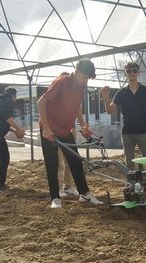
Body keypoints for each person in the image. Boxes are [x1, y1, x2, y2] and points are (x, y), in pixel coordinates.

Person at [37, 59, 103, 209]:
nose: (86, 81)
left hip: (65, 130)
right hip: (50, 130)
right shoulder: (61, 82)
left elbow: (76, 106)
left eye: (88, 78)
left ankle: (85, 195)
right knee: (52, 164)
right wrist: (46, 128)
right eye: (84, 77)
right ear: (77, 71)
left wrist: (83, 125)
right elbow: (41, 102)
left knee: (75, 161)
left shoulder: (79, 87)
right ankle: (55, 198)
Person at [101, 61, 146, 169]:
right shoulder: (121, 93)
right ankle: (133, 185)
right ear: (125, 74)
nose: (132, 73)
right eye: (129, 71)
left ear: (138, 73)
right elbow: (110, 110)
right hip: (127, 133)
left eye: (134, 71)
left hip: (144, 131)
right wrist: (106, 98)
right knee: (130, 164)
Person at [55, 72, 79, 199]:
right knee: (58, 163)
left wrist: (75, 129)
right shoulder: (55, 96)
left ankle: (68, 186)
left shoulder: (72, 96)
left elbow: (74, 114)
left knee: (70, 160)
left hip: (68, 132)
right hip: (57, 134)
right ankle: (58, 188)